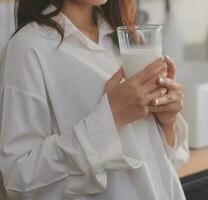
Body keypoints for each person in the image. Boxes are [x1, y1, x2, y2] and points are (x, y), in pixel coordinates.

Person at [0, 0, 189, 199]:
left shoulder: (128, 36)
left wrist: (167, 121)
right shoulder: (28, 48)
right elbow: (16, 181)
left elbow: (166, 160)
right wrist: (111, 117)